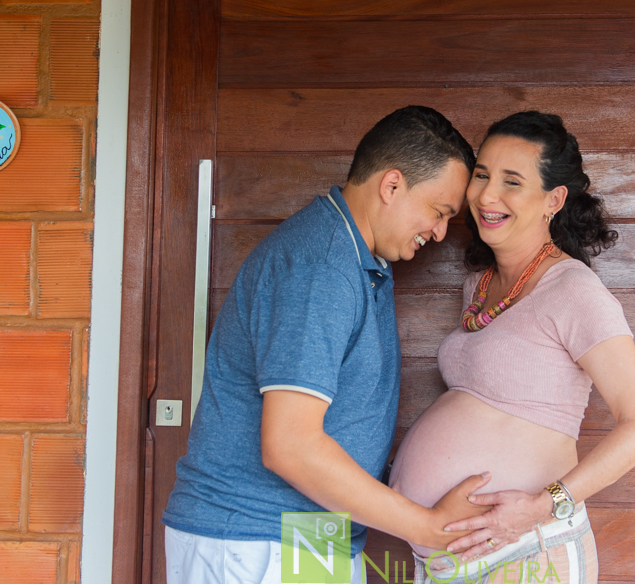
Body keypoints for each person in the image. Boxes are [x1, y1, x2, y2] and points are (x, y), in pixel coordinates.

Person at [163, 106, 491, 584]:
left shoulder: (357, 260)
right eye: (439, 212)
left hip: (306, 535)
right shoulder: (322, 267)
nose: (440, 232)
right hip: (255, 538)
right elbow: (290, 446)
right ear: (392, 185)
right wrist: (429, 527)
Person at [388, 111, 635, 584]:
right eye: (482, 175)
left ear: (553, 199)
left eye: (511, 181)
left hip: (525, 555)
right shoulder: (478, 286)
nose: (486, 195)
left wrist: (542, 507)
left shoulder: (573, 291)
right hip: (448, 560)